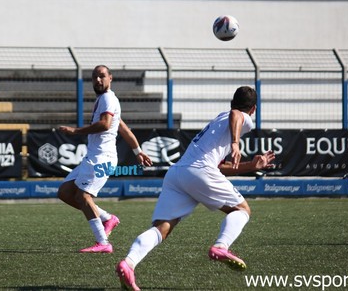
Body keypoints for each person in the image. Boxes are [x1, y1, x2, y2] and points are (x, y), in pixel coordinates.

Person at [116, 86, 276, 291]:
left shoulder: (220, 120)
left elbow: (219, 167)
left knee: (162, 228)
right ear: (253, 109)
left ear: (231, 101)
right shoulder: (241, 116)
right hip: (200, 171)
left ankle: (128, 263)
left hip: (178, 174)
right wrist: (236, 143)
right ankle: (221, 246)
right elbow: (237, 114)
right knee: (242, 209)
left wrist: (250, 167)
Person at [58, 65, 153, 253]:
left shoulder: (108, 98)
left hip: (102, 158)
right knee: (65, 192)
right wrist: (138, 151)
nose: (98, 80)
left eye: (102, 76)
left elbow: (105, 124)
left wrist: (76, 131)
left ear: (111, 78)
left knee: (83, 196)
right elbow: (123, 128)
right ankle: (107, 218)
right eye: (94, 77)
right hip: (94, 156)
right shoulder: (105, 99)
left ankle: (103, 243)